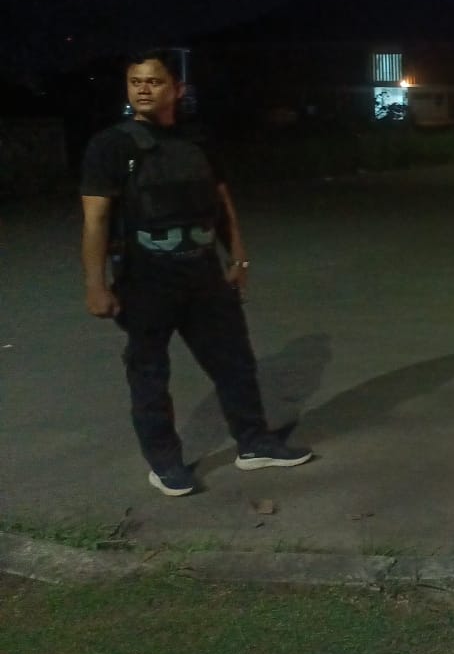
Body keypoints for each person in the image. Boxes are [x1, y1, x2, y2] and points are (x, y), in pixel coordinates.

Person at [80, 49, 312, 496]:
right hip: (146, 276)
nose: (143, 89)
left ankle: (254, 443)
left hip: (204, 271)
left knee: (235, 361)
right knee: (150, 373)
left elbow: (221, 202)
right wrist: (96, 283)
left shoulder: (197, 140)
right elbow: (96, 219)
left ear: (177, 88)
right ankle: (165, 463)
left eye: (154, 81)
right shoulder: (110, 146)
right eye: (135, 82)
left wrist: (237, 257)